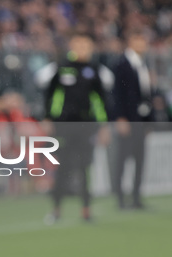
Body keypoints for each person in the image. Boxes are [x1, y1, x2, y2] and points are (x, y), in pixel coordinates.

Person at [38, 32, 112, 222]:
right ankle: (56, 210)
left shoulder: (94, 70)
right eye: (79, 45)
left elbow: (100, 101)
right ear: (72, 46)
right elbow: (51, 96)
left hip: (85, 126)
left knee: (85, 168)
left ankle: (86, 210)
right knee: (62, 168)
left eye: (86, 46)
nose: (83, 49)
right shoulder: (62, 68)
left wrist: (103, 126)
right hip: (64, 126)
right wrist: (48, 118)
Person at [112, 30, 154, 209]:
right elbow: (117, 95)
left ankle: (136, 198)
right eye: (139, 39)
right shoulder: (122, 65)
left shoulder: (143, 65)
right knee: (122, 160)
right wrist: (120, 118)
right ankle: (120, 198)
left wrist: (148, 121)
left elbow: (146, 97)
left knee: (139, 161)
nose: (142, 44)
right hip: (127, 121)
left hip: (140, 122)